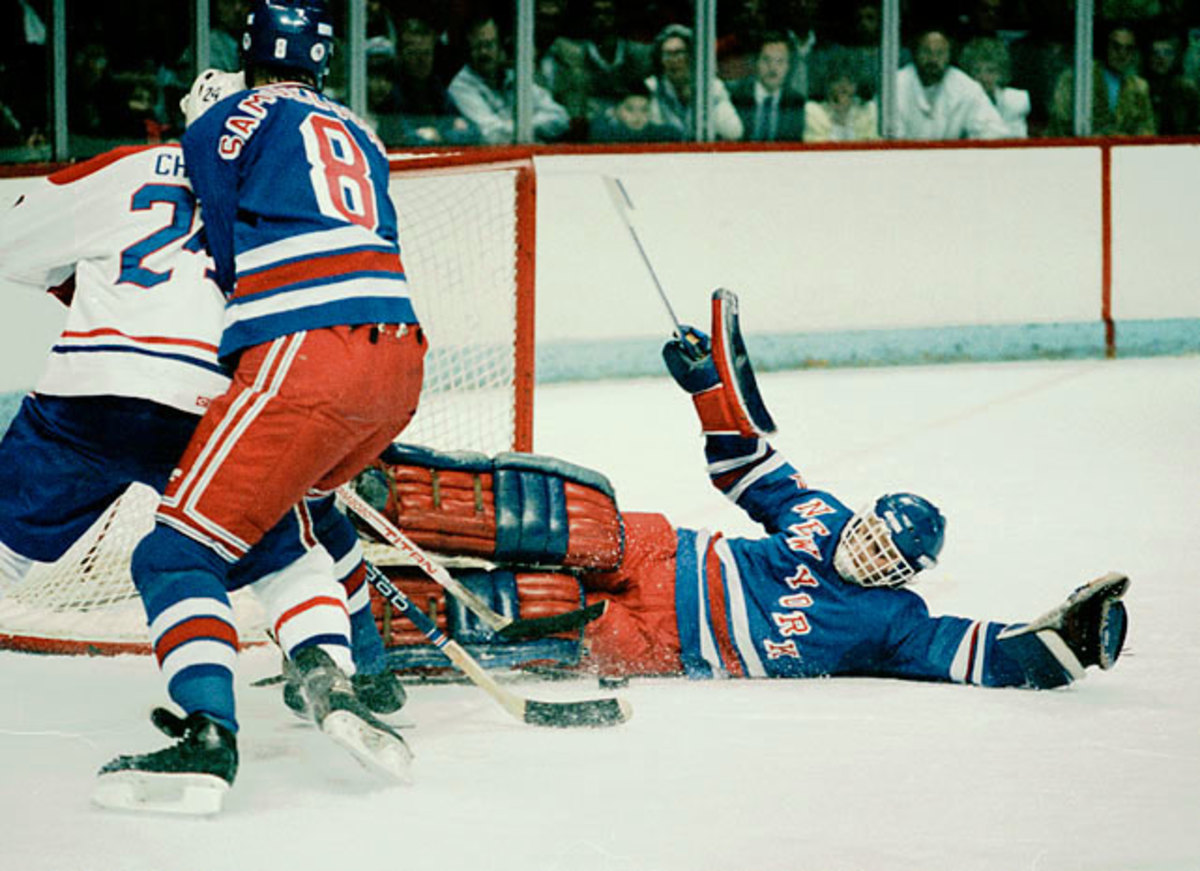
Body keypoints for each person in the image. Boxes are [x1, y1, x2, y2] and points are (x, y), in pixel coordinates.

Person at [358, 291, 1129, 693]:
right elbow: (744, 466)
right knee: (579, 514)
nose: (865, 547)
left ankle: (370, 623)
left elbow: (986, 654)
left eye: (887, 553)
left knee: (539, 616)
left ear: (904, 575)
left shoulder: (895, 623)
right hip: (670, 555)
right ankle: (383, 487)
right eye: (870, 529)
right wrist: (703, 388)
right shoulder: (819, 514)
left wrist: (1068, 643)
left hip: (672, 644)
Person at [100, 0, 426, 811]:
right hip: (401, 362)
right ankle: (362, 670)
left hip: (307, 355)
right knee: (305, 506)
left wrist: (206, 124)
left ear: (245, 57)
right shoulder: (361, 130)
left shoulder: (226, 117)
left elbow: (222, 255)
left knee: (173, 554)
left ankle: (208, 738)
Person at [448, 14, 570, 144]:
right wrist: (527, 125)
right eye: (477, 47)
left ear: (500, 45)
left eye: (489, 45)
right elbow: (492, 136)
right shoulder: (460, 85)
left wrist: (517, 125)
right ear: (467, 50)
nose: (484, 52)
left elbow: (560, 117)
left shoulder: (514, 77)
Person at [895, 27, 1010, 140]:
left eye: (940, 53)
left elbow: (994, 132)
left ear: (950, 55)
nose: (933, 59)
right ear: (915, 53)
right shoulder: (895, 84)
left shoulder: (966, 87)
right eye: (926, 51)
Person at [1048, 22, 1156, 136]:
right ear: (1105, 47)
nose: (1122, 54)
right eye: (1116, 47)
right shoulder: (1078, 78)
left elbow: (1147, 130)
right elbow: (1059, 124)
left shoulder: (1139, 87)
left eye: (1128, 49)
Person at [646, 24, 744, 141]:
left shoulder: (711, 86)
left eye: (679, 52)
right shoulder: (651, 88)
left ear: (692, 55)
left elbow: (733, 131)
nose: (673, 60)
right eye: (667, 54)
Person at [728, 31, 807, 142]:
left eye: (780, 61)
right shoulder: (736, 96)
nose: (773, 68)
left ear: (788, 66)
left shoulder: (796, 102)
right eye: (766, 60)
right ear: (756, 63)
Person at [960, 36, 1031, 137]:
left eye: (991, 71)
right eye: (977, 71)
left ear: (1001, 73)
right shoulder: (960, 103)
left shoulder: (1015, 102)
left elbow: (1017, 142)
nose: (983, 78)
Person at [803, 51, 879, 142]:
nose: (843, 87)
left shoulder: (869, 111)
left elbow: (871, 147)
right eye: (837, 80)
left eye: (849, 81)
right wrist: (839, 119)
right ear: (827, 83)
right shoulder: (813, 112)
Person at [588, 77, 683, 142]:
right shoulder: (602, 133)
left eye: (644, 110)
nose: (637, 116)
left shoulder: (663, 133)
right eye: (630, 109)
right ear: (615, 110)